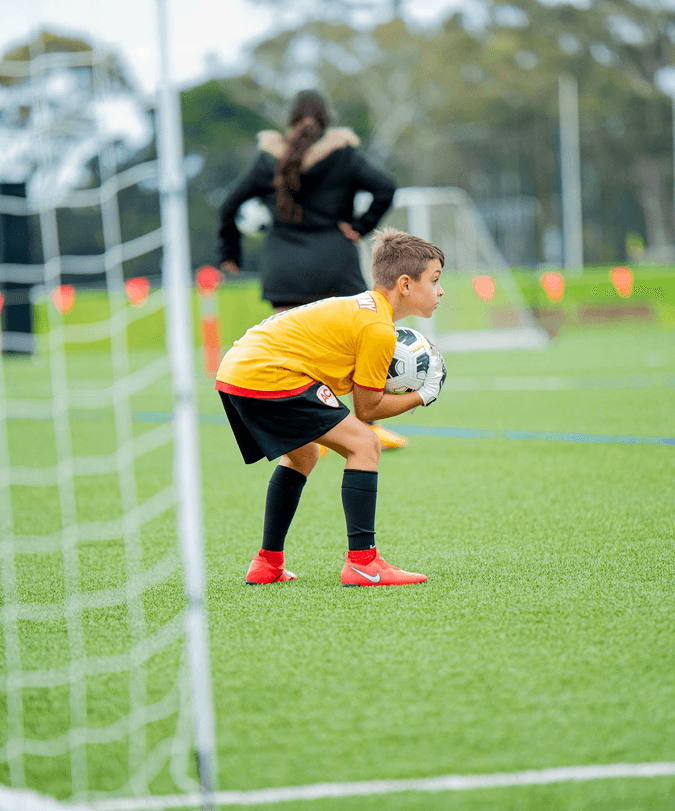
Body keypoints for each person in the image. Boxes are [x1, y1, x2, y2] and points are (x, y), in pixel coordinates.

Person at [215, 227, 446, 587]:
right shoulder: (378, 328)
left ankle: (267, 563)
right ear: (404, 284)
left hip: (235, 369)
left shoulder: (362, 308)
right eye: (434, 280)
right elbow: (367, 410)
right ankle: (363, 564)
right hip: (268, 373)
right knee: (365, 444)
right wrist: (423, 394)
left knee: (304, 455)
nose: (440, 290)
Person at [217, 89, 408, 451]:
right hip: (334, 262)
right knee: (360, 345)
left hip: (284, 268)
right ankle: (369, 427)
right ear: (327, 120)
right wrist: (359, 226)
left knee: (289, 352)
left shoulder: (268, 159)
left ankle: (309, 435)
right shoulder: (344, 156)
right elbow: (386, 187)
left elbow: (228, 206)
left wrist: (231, 254)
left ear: (290, 120)